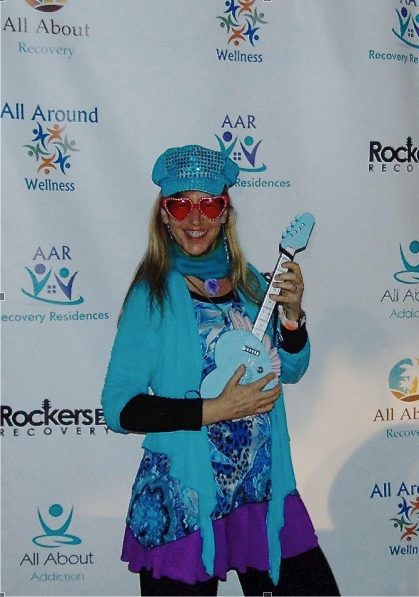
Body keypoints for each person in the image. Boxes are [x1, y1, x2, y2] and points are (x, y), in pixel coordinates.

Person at [102, 144, 340, 596]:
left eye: (209, 204)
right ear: (164, 215)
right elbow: (119, 407)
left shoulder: (251, 283)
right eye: (181, 205)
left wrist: (292, 317)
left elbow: (290, 370)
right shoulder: (152, 294)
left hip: (262, 493)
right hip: (183, 498)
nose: (195, 218)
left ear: (225, 212)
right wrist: (213, 409)